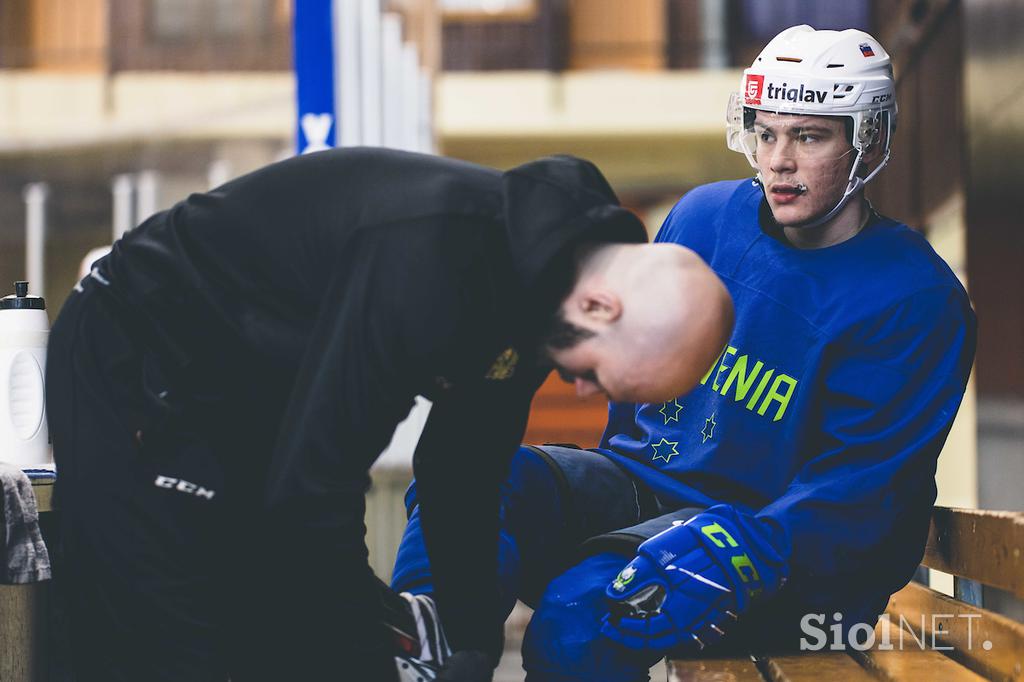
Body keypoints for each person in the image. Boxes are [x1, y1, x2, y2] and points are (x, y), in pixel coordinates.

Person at [390, 25, 977, 680]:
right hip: (643, 489)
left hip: (768, 547)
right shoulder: (703, 216)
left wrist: (735, 548)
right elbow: (631, 388)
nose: (778, 158)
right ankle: (431, 652)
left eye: (809, 136)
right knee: (468, 482)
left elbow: (864, 493)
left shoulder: (915, 298)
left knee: (580, 621)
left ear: (866, 140)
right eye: (766, 130)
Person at [44, 147, 733, 681]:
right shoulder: (429, 259)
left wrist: (468, 646)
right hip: (136, 355)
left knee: (265, 632)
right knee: (170, 644)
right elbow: (312, 500)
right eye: (595, 378)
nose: (584, 394)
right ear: (600, 307)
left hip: (247, 391)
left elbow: (463, 475)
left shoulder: (537, 299)